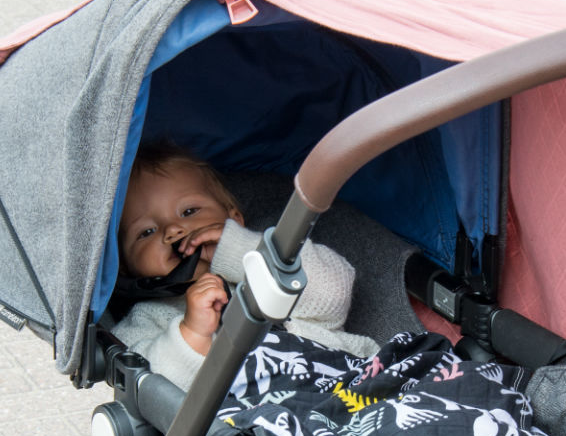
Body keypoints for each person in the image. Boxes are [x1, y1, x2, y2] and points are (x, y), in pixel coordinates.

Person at [109, 143, 379, 389]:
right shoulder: (144, 320)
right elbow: (151, 390)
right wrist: (191, 333)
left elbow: (335, 293)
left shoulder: (268, 261)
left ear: (233, 218)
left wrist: (241, 249)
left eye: (189, 212)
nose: (173, 230)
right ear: (124, 267)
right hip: (269, 420)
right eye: (146, 232)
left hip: (353, 382)